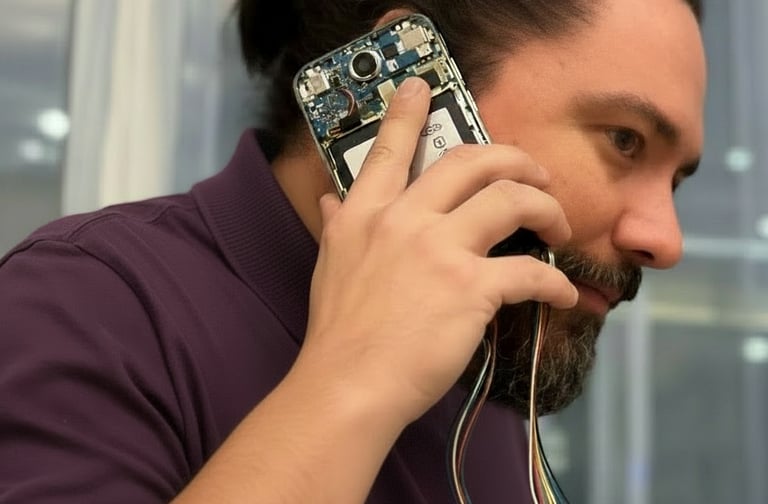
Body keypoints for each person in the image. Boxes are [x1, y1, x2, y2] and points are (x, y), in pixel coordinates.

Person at [0, 0, 705, 502]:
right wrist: (354, 381)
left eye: (675, 180)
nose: (665, 240)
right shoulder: (84, 305)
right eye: (624, 140)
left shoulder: (486, 361)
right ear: (409, 86)